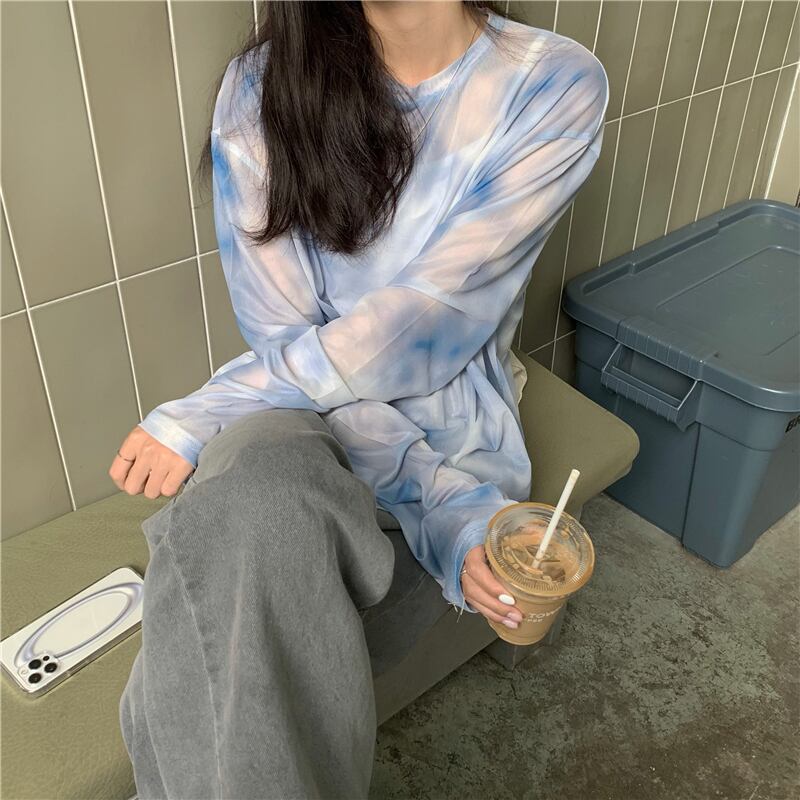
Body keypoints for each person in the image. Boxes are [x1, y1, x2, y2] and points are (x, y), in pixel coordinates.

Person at [109, 1, 609, 797]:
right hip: (295, 419)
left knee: (232, 604)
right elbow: (285, 339)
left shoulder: (551, 85)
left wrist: (205, 410)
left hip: (451, 437)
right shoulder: (258, 89)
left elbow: (423, 329)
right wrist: (442, 508)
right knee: (250, 513)